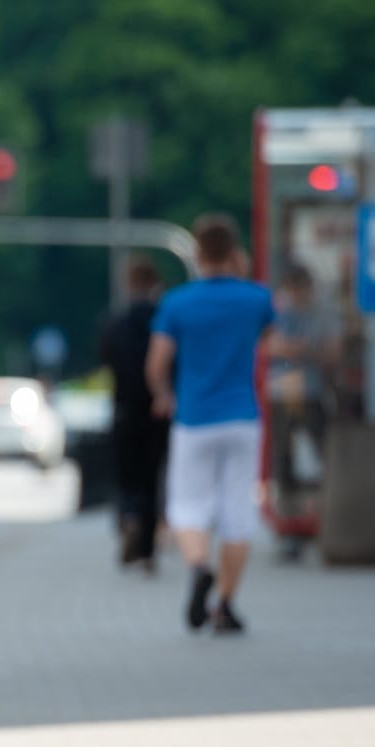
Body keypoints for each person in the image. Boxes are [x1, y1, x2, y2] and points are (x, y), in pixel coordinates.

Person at [146, 214, 275, 633]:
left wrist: (164, 395)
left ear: (198, 254)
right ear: (235, 252)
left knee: (187, 506)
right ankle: (226, 604)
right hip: (242, 418)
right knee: (237, 512)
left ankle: (199, 566)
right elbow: (272, 344)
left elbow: (156, 364)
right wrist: (243, 273)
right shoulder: (256, 298)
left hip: (194, 418)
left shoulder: (177, 303)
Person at [101, 256, 171, 572]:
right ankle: (148, 551)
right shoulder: (163, 321)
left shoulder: (115, 322)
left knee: (126, 475)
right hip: (157, 409)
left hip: (124, 408)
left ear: (129, 285)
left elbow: (105, 359)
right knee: (152, 477)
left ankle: (128, 517)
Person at [265, 265, 340, 548]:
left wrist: (294, 348)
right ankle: (290, 524)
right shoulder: (278, 309)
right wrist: (302, 348)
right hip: (282, 391)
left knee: (323, 453)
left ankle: (325, 515)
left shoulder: (323, 311)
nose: (296, 296)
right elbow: (269, 345)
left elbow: (332, 351)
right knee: (284, 456)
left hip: (313, 391)